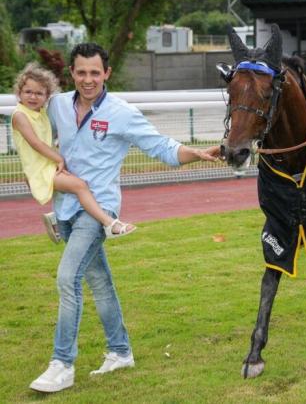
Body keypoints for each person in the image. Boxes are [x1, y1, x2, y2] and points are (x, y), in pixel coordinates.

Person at [29, 43, 220, 393]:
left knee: (67, 278)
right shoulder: (56, 105)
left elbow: (160, 146)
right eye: (82, 72)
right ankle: (120, 352)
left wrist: (196, 153)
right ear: (72, 73)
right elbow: (28, 124)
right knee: (99, 283)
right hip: (66, 209)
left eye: (95, 73)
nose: (88, 80)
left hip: (98, 211)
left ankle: (62, 364)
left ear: (107, 74)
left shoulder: (121, 112)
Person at [12, 63, 137, 242]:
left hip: (47, 165)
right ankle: (109, 223)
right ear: (19, 93)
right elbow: (35, 143)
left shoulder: (41, 113)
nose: (33, 97)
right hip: (40, 169)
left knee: (76, 179)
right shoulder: (20, 116)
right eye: (28, 92)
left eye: (39, 93)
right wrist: (58, 158)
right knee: (79, 186)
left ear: (47, 96)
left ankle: (56, 219)